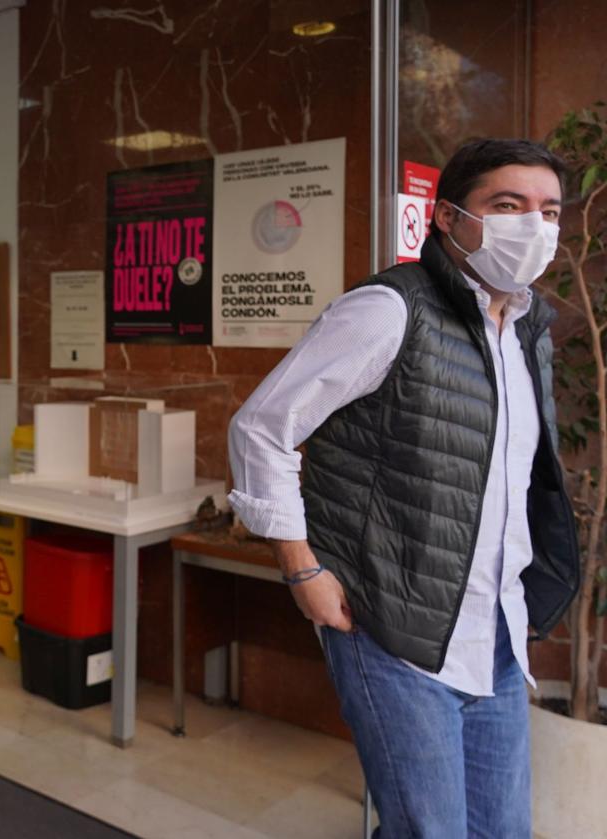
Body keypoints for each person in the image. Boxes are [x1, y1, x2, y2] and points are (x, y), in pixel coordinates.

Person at [227, 139, 580, 838]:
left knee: (503, 830)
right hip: (391, 626)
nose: (533, 227)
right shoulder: (390, 310)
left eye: (549, 210)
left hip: (497, 630)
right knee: (429, 829)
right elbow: (261, 427)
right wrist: (302, 568)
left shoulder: (528, 328)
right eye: (506, 206)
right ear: (447, 217)